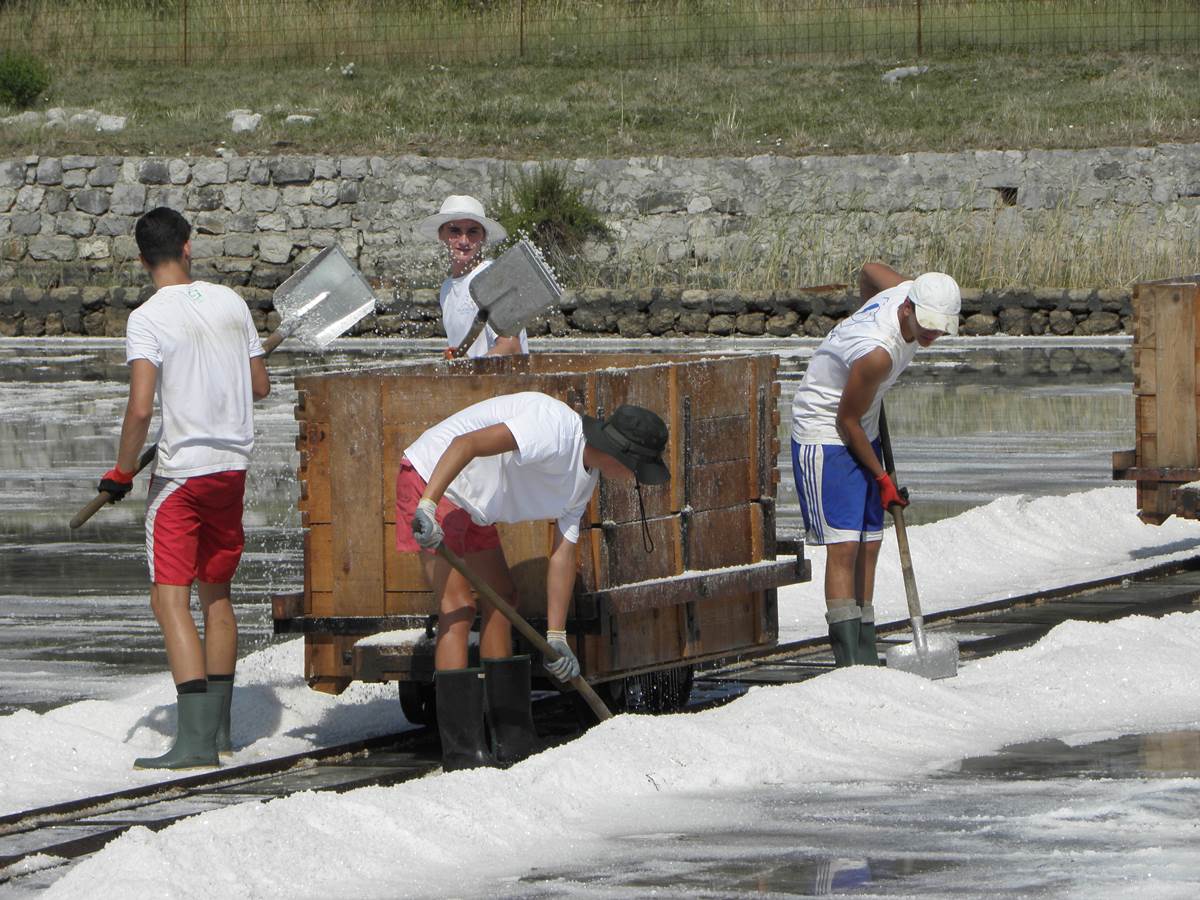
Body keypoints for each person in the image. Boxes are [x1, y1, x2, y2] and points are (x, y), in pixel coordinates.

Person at [397, 392, 669, 770]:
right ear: (622, 455)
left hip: (474, 504)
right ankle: (463, 754)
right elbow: (467, 443)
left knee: (504, 597)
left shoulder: (583, 482)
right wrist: (427, 504)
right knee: (457, 606)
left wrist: (556, 637)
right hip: (433, 478)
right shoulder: (553, 429)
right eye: (639, 470)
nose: (635, 479)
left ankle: (510, 736)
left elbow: (562, 553)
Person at [95, 207, 270, 769]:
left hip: (183, 477)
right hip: (232, 468)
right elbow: (260, 386)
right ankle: (218, 733)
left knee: (169, 597)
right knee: (215, 592)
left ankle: (194, 744)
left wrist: (120, 473)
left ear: (143, 259)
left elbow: (142, 407)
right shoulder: (231, 302)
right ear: (188, 247)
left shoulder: (146, 318)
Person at [791, 264, 960, 667]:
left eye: (940, 328)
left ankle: (865, 651)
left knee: (871, 541)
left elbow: (869, 270)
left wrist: (862, 307)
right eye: (926, 326)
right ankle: (849, 662)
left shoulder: (905, 291)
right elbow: (844, 421)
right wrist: (882, 478)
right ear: (907, 309)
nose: (931, 336)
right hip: (825, 430)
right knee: (846, 545)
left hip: (861, 424)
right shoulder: (877, 354)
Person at [417, 194, 528, 359]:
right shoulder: (446, 289)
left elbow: (511, 348)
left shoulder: (492, 279)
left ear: (483, 237)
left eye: (472, 232)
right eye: (455, 231)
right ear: (441, 235)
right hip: (477, 383)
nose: (464, 240)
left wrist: (469, 367)